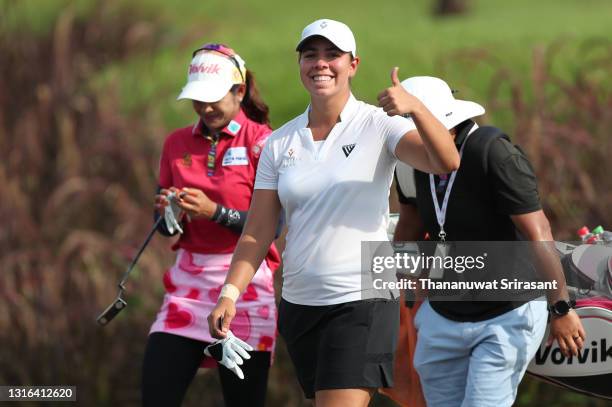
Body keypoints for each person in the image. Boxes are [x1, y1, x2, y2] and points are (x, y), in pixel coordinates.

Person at [207, 19, 460, 407]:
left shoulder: (380, 124)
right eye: (311, 54)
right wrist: (229, 293)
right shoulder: (278, 143)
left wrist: (416, 109)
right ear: (300, 64)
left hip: (364, 299)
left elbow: (445, 161)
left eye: (332, 55)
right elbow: (258, 232)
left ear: (353, 65)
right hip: (300, 305)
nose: (320, 63)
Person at [396, 76, 586, 407]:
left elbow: (537, 231)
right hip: (443, 314)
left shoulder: (492, 152)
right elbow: (409, 228)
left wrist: (561, 307)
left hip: (506, 313)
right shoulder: (409, 164)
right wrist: (397, 291)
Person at [142, 43, 281, 407]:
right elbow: (166, 230)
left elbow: (274, 225)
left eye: (213, 98)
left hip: (247, 287)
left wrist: (213, 211)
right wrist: (169, 213)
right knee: (157, 396)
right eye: (197, 99)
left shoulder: (263, 142)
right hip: (186, 284)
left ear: (239, 91)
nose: (205, 108)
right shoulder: (176, 143)